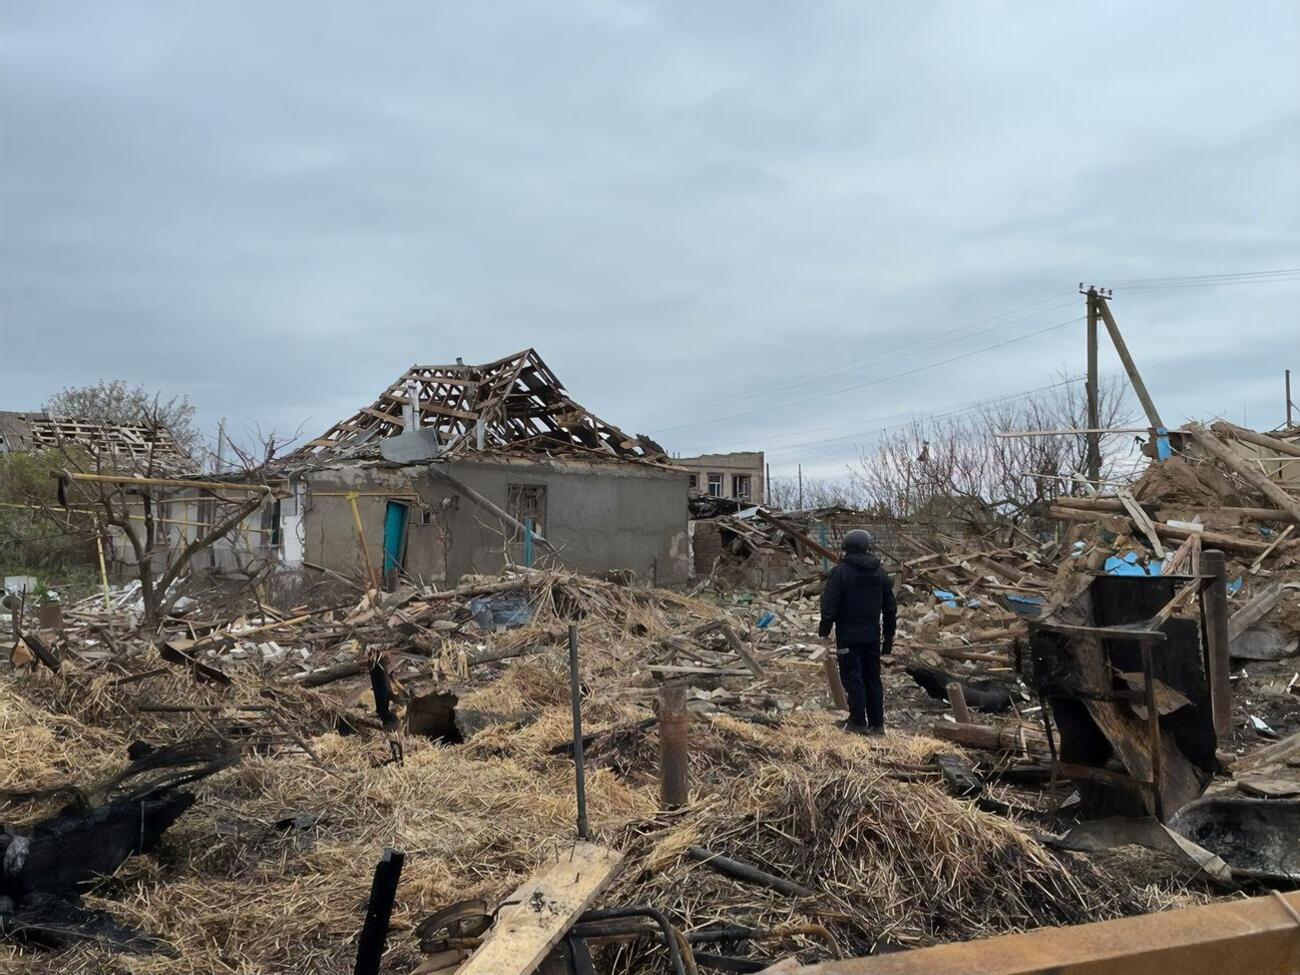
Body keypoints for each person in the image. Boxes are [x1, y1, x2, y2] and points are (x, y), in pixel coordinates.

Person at [818, 529, 897, 735]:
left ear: (846, 548)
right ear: (867, 547)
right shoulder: (880, 573)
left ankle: (858, 722)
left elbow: (829, 605)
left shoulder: (840, 572)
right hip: (872, 636)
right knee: (872, 678)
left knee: (853, 676)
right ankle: (877, 725)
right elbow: (890, 608)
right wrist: (888, 638)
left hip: (848, 637)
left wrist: (824, 629)